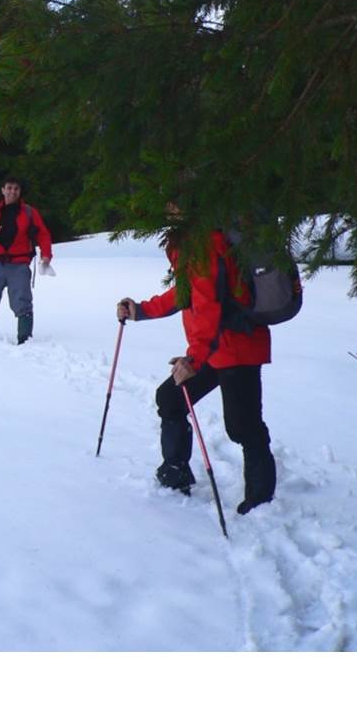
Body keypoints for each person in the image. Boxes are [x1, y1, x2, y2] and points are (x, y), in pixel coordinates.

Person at [117, 205, 277, 514]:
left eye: (174, 201)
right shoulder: (193, 240)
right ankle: (175, 472)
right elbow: (186, 291)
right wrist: (141, 310)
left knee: (243, 426)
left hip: (238, 347)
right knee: (171, 398)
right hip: (214, 348)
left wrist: (193, 359)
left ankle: (261, 499)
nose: (167, 207)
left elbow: (209, 306)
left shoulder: (206, 243)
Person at [0, 177, 54, 343]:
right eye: (9, 188)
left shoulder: (29, 213)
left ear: (20, 191)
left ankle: (24, 340)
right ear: (2, 190)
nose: (12, 191)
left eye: (16, 188)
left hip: (20, 263)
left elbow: (43, 234)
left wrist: (46, 255)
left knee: (22, 302)